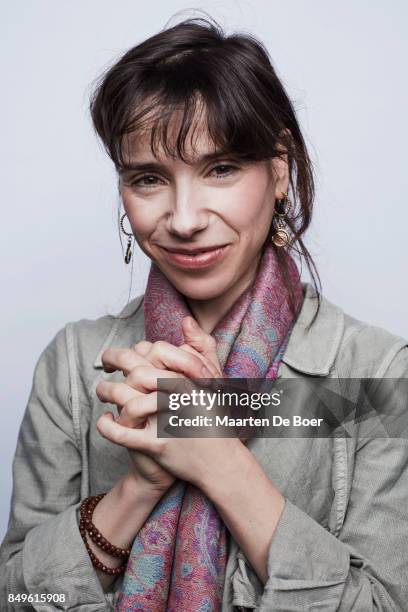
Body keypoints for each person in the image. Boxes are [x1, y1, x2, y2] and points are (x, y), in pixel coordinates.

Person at [1, 15, 408, 612]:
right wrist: (139, 485)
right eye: (148, 178)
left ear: (279, 170)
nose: (185, 219)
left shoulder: (375, 373)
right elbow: (17, 597)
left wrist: (217, 459)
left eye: (220, 169)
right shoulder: (72, 366)